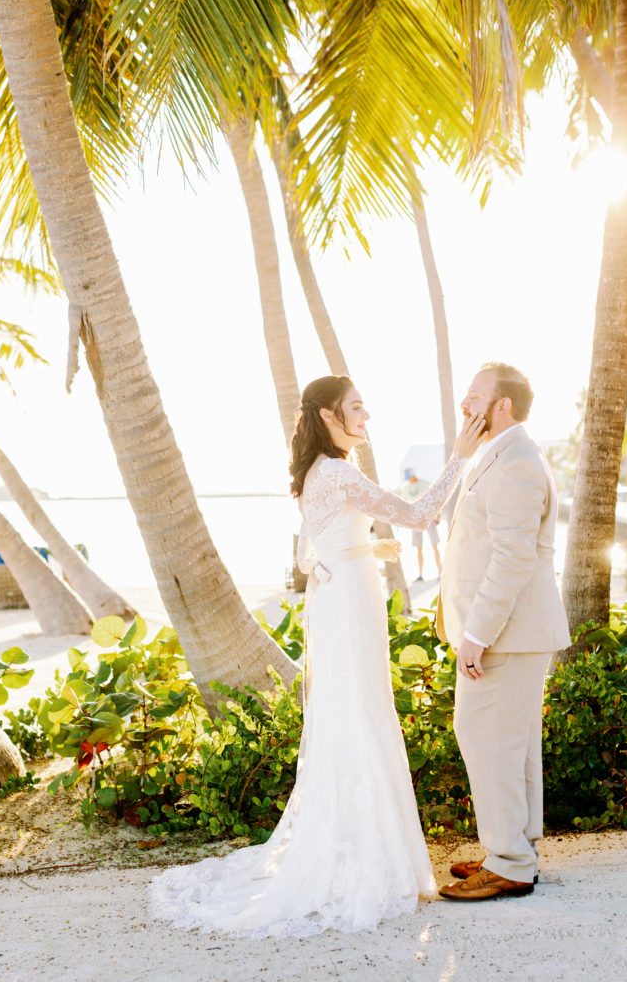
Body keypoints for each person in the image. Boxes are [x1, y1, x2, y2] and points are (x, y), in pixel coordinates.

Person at [150, 374, 485, 937]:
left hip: (338, 598)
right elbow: (422, 512)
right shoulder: (335, 472)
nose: (366, 416)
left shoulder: (318, 474)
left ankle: (358, 841)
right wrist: (459, 457)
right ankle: (368, 856)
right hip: (349, 602)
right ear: (330, 417)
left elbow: (309, 554)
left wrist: (363, 546)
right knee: (362, 713)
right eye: (356, 408)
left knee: (350, 713)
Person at [436, 363, 570, 902]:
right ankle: (515, 850)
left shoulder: (516, 461)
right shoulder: (502, 454)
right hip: (512, 633)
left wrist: (476, 633)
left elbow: (512, 558)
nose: (465, 406)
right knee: (510, 746)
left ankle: (510, 862)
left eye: (474, 397)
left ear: (502, 406)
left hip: (505, 635)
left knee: (487, 739)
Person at [402, 471, 442, 580]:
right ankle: (420, 575)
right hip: (416, 520)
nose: (409, 479)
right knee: (419, 548)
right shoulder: (406, 488)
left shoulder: (425, 484)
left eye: (410, 477)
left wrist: (438, 515)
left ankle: (440, 571)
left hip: (429, 517)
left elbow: (435, 500)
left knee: (434, 545)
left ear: (414, 474)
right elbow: (406, 504)